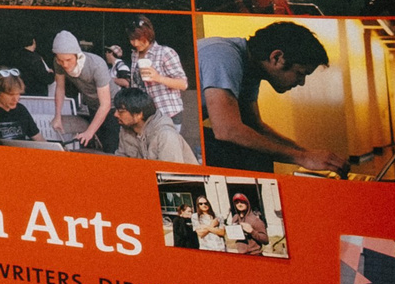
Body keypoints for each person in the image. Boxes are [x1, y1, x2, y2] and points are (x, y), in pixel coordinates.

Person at [195, 20, 343, 174]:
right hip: (170, 135)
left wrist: (306, 153)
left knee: (256, 151)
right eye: (300, 73)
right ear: (277, 57)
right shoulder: (223, 56)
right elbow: (227, 130)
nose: (301, 83)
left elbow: (254, 126)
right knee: (251, 156)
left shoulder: (250, 68)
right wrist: (302, 158)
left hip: (177, 130)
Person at [119, 16, 193, 142]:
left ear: (148, 35)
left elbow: (183, 84)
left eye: (139, 39)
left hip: (167, 113)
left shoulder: (165, 53)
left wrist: (158, 77)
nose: (135, 43)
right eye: (132, 39)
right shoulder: (134, 54)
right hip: (145, 116)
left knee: (166, 151)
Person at [48, 30, 117, 151]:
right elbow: (60, 88)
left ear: (77, 55)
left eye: (69, 60)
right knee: (96, 144)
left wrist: (89, 132)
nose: (64, 64)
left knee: (111, 146)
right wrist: (57, 116)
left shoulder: (96, 65)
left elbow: (106, 105)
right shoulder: (58, 62)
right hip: (92, 105)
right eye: (60, 60)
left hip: (113, 106)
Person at [110, 88, 198, 163]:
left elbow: (171, 176)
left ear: (139, 114)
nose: (115, 114)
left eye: (121, 111)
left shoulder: (165, 135)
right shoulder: (125, 129)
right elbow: (121, 159)